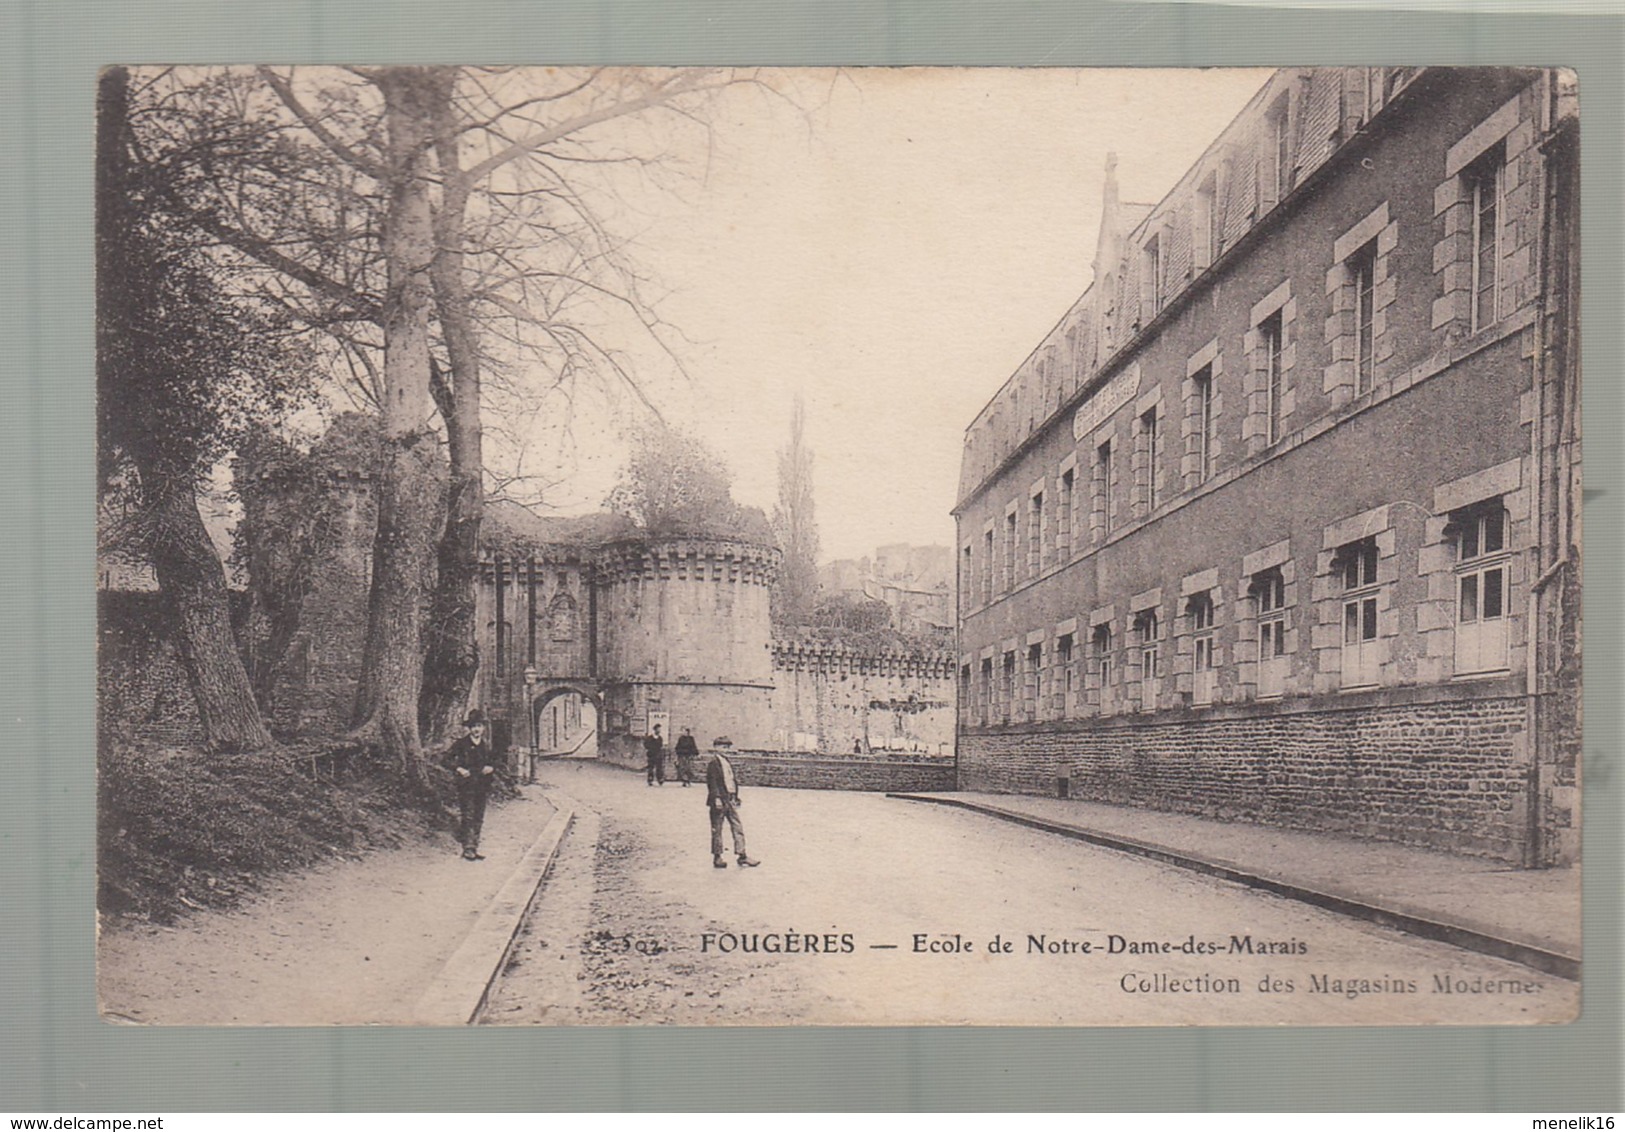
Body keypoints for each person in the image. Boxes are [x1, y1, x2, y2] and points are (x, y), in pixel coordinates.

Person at [444, 709, 497, 860]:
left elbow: (493, 762)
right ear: (469, 728)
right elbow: (446, 759)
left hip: (482, 785)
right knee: (468, 814)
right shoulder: (461, 744)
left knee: (479, 816)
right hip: (466, 785)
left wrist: (490, 767)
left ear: (483, 728)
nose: (476, 729)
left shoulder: (485, 745)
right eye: (473, 726)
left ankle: (474, 846)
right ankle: (468, 848)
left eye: (479, 726)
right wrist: (459, 769)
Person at [705, 748, 759, 869]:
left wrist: (735, 796)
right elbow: (712, 783)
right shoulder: (713, 763)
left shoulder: (726, 762)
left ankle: (742, 855)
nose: (726, 750)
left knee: (737, 826)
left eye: (728, 747)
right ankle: (717, 857)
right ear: (716, 747)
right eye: (723, 747)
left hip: (730, 799)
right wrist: (716, 798)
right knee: (717, 829)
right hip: (719, 800)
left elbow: (731, 782)